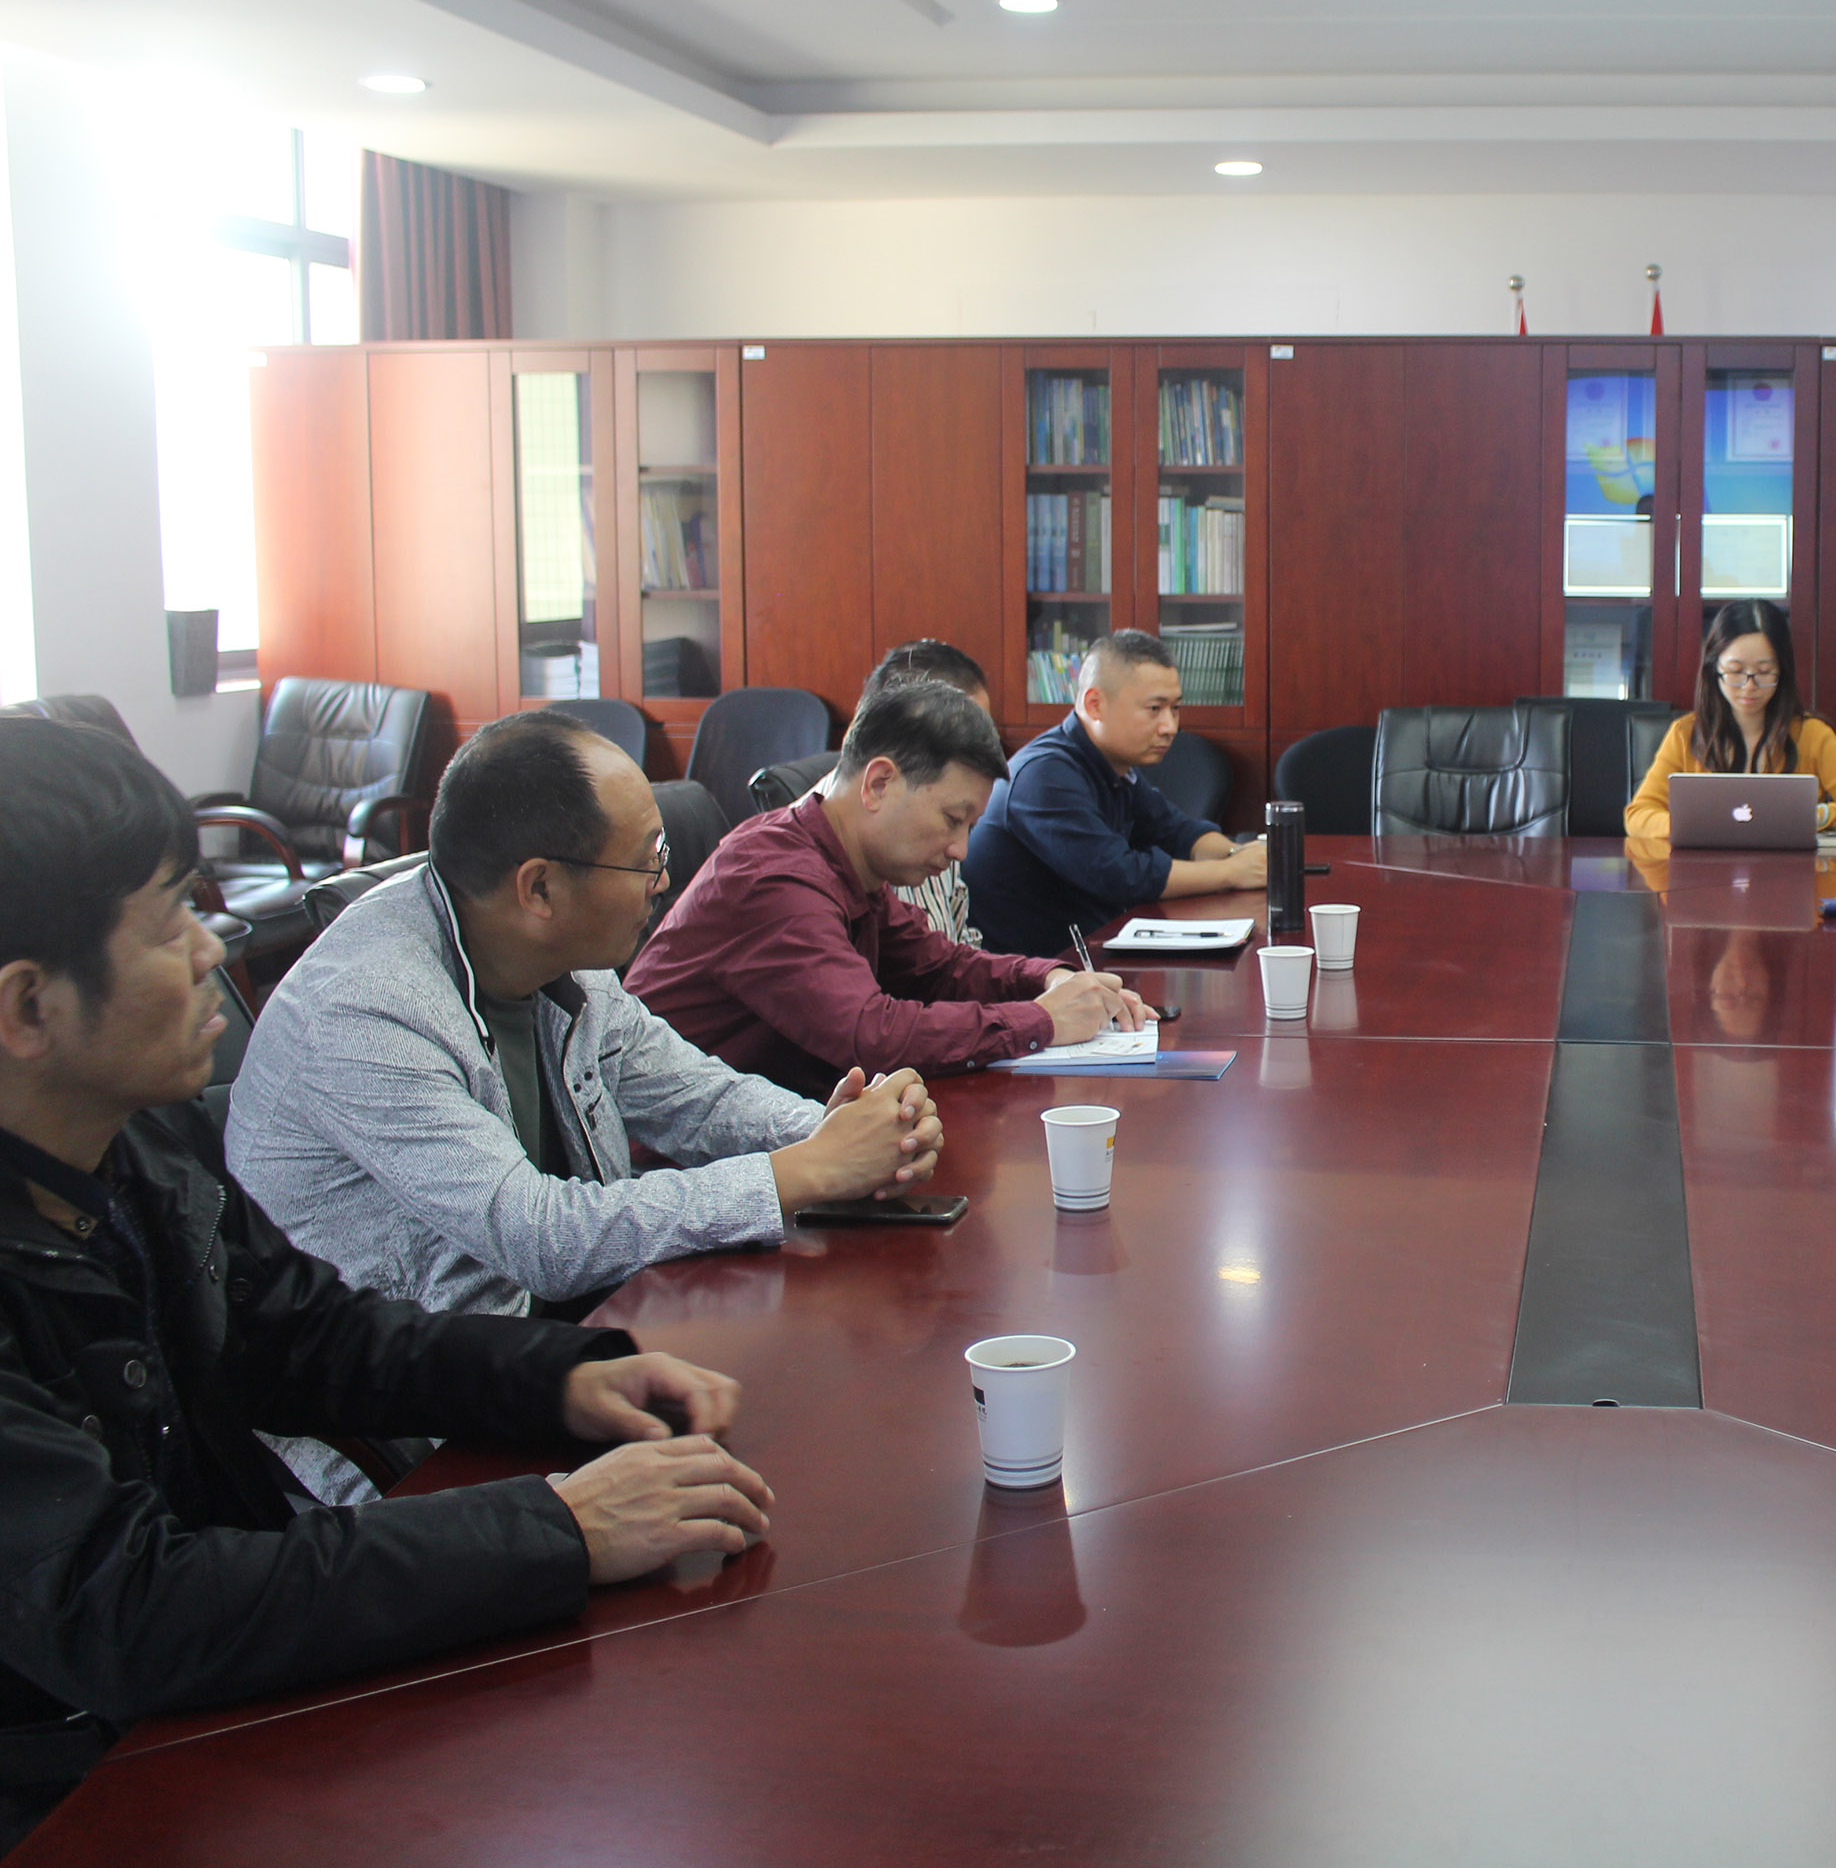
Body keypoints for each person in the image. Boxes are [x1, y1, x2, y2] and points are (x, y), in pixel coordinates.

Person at [0, 717, 773, 1845]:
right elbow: (132, 1608)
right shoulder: (343, 1011)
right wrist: (557, 1527)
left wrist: (564, 1376)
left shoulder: (127, 1145)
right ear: (29, 1005)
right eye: (170, 922)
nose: (214, 951)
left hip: (203, 1703)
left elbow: (304, 1335)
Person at [231, 710, 945, 1502]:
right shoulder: (366, 1013)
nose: (665, 880)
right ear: (540, 886)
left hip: (557, 1356)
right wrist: (798, 1173)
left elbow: (692, 1096)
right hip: (412, 1443)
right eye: (647, 862)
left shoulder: (552, 952)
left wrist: (838, 1130)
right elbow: (537, 1236)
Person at [631, 681, 1148, 1092]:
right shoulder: (773, 878)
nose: (961, 850)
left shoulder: (849, 866)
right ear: (879, 784)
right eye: (953, 820)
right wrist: (1040, 1021)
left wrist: (1049, 978)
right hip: (679, 1164)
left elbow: (941, 969)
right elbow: (871, 1036)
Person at [963, 630, 1267, 957]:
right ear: (1095, 705)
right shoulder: (1044, 775)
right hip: (1035, 971)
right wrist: (1231, 873)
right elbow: (1119, 875)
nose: (1170, 727)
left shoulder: (1114, 765)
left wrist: (1243, 856)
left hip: (1092, 955)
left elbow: (1176, 831)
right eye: (1154, 709)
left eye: (1175, 708)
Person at [1624, 599, 1836, 842]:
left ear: (1782, 671)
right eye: (1736, 671)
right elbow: (1637, 815)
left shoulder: (1812, 734)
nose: (1749, 686)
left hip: (1789, 871)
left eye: (1764, 672)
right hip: (1704, 868)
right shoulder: (1685, 733)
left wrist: (1816, 816)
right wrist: (1693, 825)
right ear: (1714, 669)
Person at [812, 639, 996, 948]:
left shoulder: (940, 823)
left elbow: (951, 955)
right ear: (880, 783)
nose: (961, 850)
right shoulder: (800, 881)